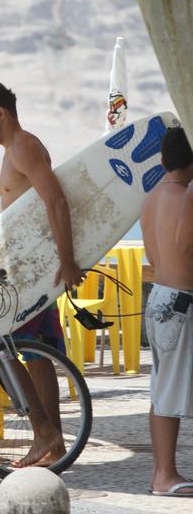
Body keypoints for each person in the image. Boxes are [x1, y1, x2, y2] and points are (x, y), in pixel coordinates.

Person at [0, 82, 83, 467]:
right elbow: (27, 206)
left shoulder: (24, 147)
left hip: (34, 270)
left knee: (7, 350)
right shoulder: (13, 151)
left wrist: (68, 263)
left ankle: (44, 433)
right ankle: (52, 443)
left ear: (1, 113)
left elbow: (56, 201)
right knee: (38, 354)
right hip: (25, 268)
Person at [140, 126, 193, 497]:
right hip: (180, 303)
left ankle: (163, 474)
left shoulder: (152, 197)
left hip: (158, 296)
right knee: (168, 390)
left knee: (163, 390)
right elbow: (184, 242)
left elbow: (156, 255)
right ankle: (164, 476)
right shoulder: (187, 196)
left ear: (163, 159)